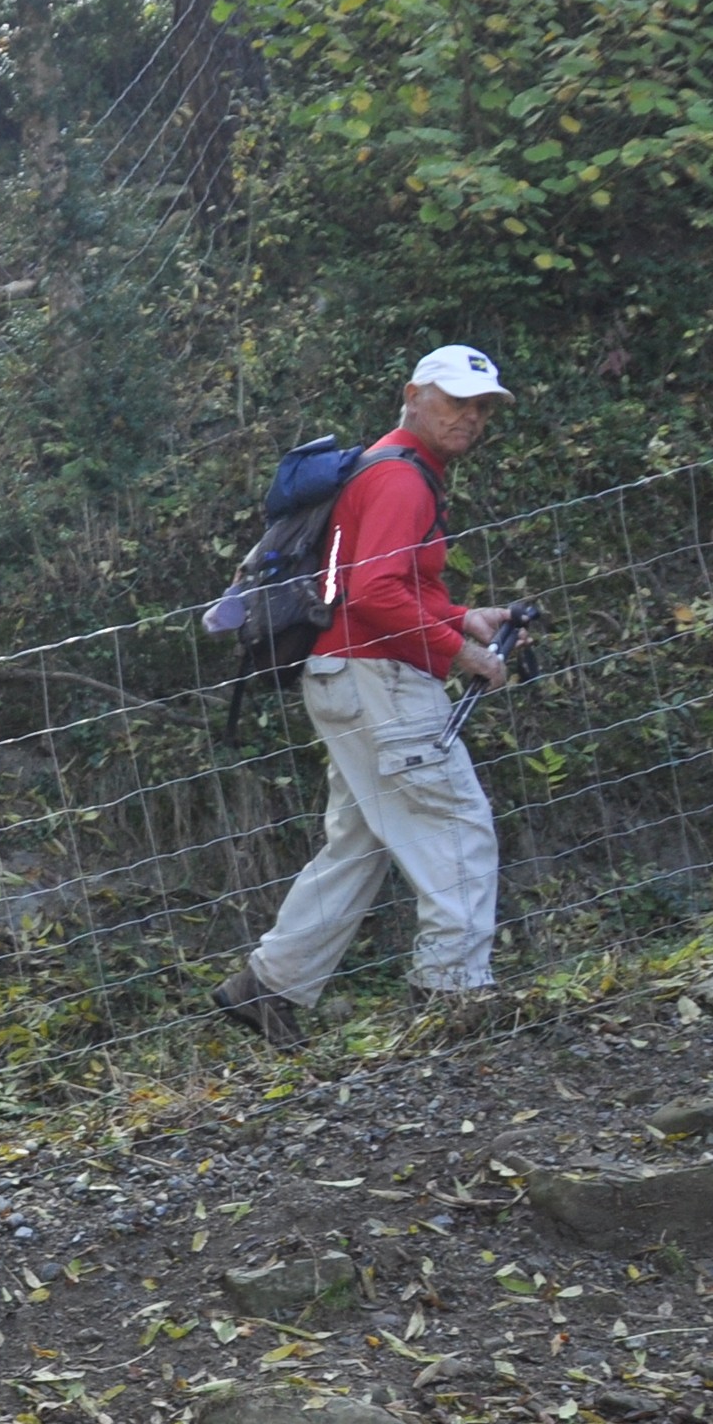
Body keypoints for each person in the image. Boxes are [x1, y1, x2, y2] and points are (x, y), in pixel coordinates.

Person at [217, 346, 529, 1049]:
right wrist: (461, 653)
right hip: (377, 681)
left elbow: (392, 585)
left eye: (482, 408)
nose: (471, 417)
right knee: (455, 827)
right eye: (456, 401)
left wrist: (462, 618)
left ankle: (267, 986)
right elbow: (374, 593)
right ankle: (453, 997)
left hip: (345, 676)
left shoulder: (390, 466)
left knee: (359, 844)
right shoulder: (400, 479)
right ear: (413, 395)